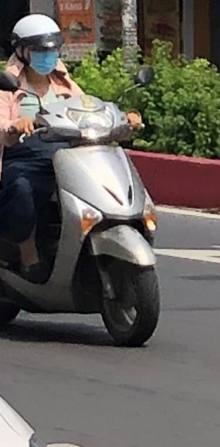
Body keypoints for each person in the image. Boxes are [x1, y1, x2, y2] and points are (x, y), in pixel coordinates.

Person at [0, 14, 142, 284]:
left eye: (52, 50)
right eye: (40, 50)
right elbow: (1, 124)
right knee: (22, 188)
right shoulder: (8, 86)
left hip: (66, 153)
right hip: (25, 155)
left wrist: (125, 121)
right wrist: (16, 125)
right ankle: (28, 254)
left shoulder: (64, 85)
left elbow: (87, 110)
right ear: (22, 52)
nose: (48, 56)